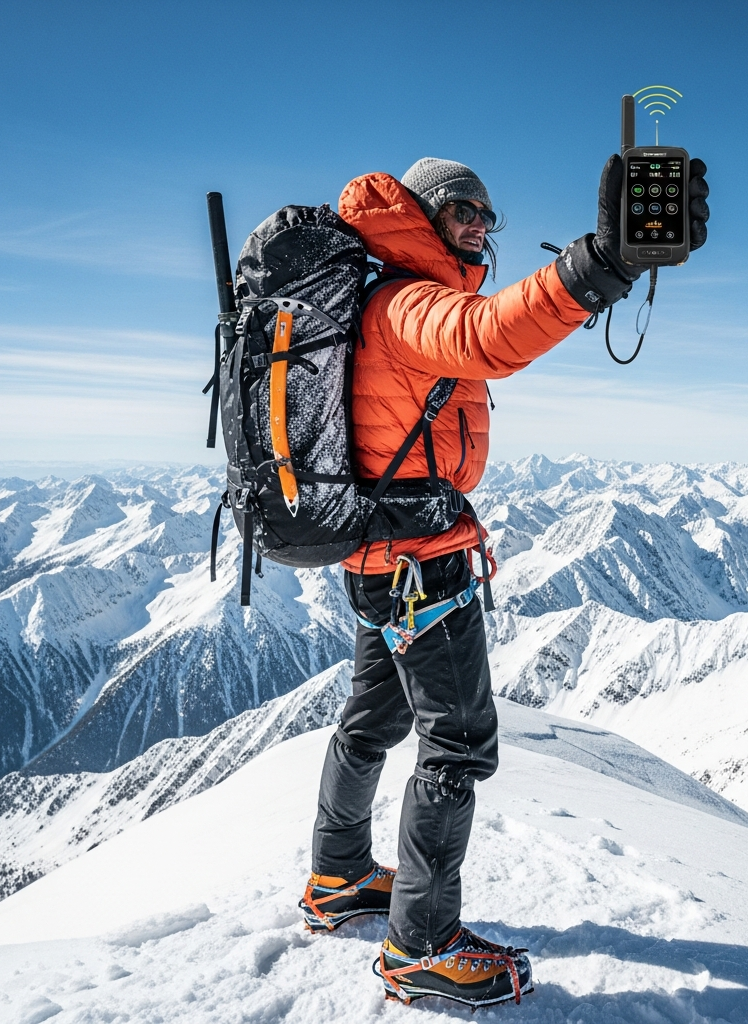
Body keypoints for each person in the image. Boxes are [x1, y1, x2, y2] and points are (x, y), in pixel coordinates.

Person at [298, 155, 709, 1007]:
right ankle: (420, 945)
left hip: (381, 555)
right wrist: (601, 264)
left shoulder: (389, 296)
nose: (482, 225)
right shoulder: (408, 301)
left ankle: (337, 878)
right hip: (419, 564)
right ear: (424, 213)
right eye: (465, 210)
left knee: (372, 718)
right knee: (456, 744)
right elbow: (490, 336)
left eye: (490, 214)